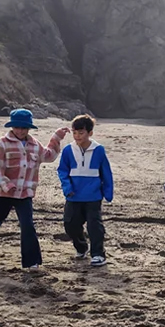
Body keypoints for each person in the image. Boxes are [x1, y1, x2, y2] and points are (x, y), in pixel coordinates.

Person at [0, 109, 68, 270]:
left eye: (24, 128)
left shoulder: (35, 145)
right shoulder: (3, 143)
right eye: (17, 127)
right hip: (3, 192)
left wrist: (57, 137)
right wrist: (5, 184)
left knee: (27, 225)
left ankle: (32, 262)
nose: (21, 131)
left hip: (25, 194)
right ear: (12, 126)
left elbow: (49, 155)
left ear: (29, 128)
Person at [56, 114, 114, 267]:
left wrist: (108, 192)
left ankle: (98, 254)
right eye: (74, 132)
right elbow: (62, 171)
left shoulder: (99, 150)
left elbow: (106, 172)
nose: (77, 136)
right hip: (73, 195)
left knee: (94, 226)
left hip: (93, 196)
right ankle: (82, 248)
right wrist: (67, 188)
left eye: (81, 133)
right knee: (70, 225)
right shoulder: (68, 150)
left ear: (90, 133)